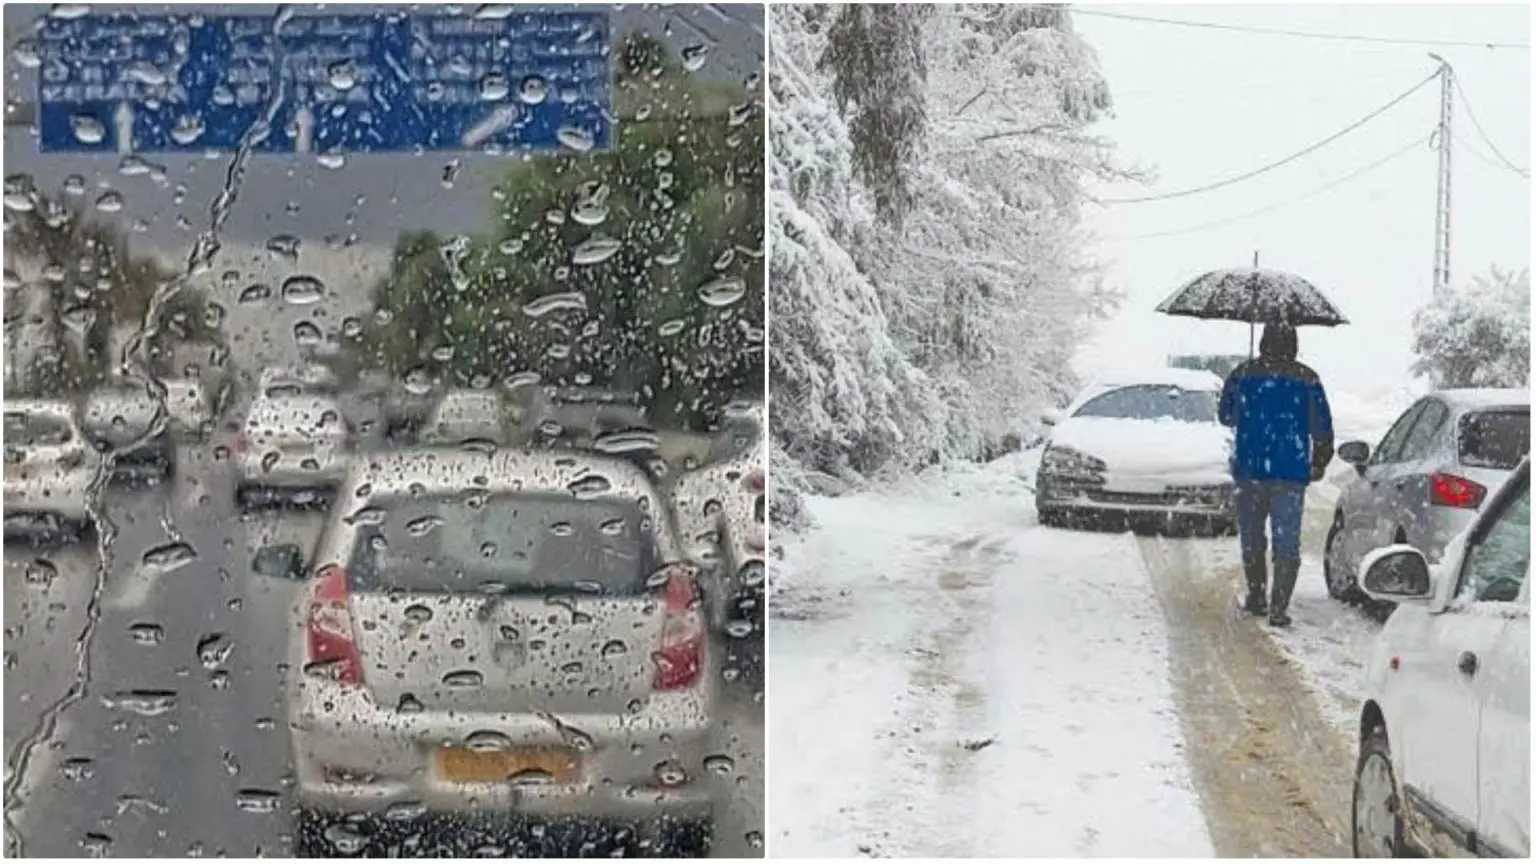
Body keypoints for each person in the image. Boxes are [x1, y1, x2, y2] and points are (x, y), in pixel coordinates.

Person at [1218, 322, 1334, 627]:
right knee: (1287, 540)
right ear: (1294, 344)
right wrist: (1319, 460)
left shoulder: (1244, 374)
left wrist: (1243, 390)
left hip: (1250, 469)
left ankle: (1257, 596)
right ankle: (1279, 607)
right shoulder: (1308, 379)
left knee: (1253, 537)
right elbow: (1322, 426)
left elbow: (1225, 416)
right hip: (1291, 472)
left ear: (1263, 343)